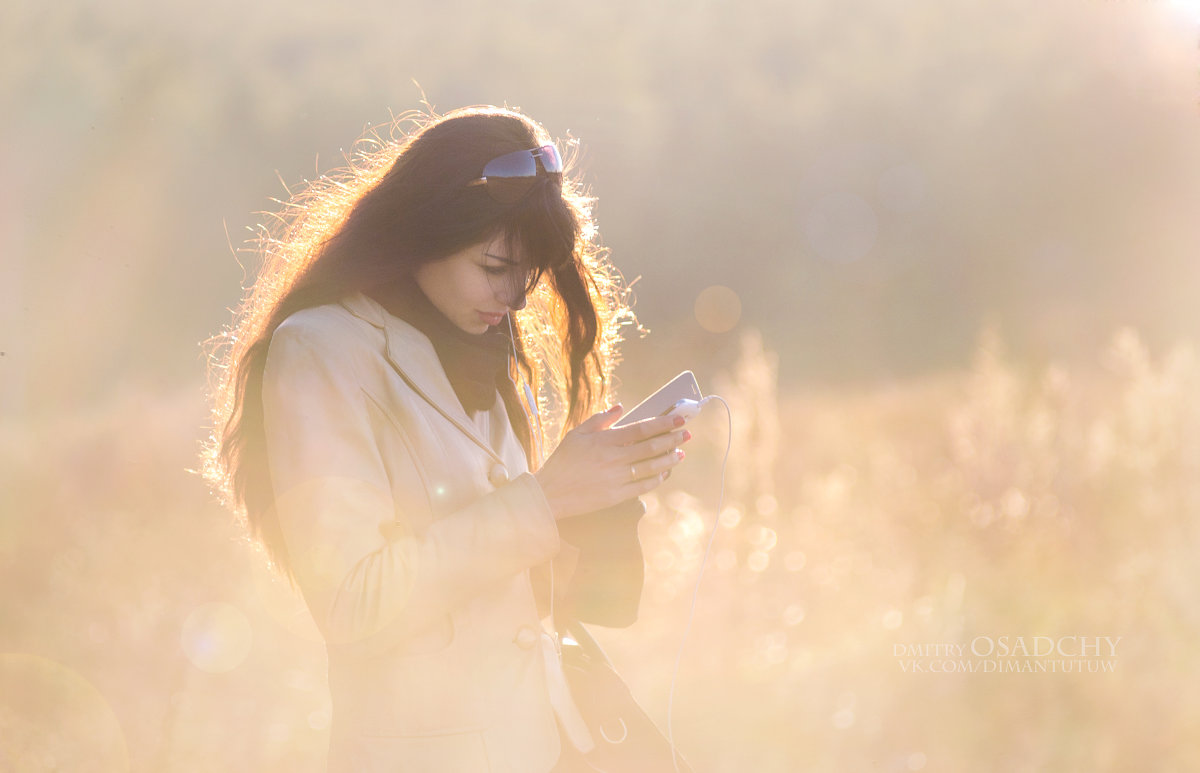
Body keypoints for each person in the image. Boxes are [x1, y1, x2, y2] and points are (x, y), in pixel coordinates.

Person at [201, 105, 692, 772]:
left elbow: (504, 588)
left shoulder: (480, 335)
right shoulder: (321, 350)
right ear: (421, 230)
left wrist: (598, 495)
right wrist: (545, 499)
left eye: (532, 273)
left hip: (550, 742)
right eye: (495, 264)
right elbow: (353, 603)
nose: (516, 297)